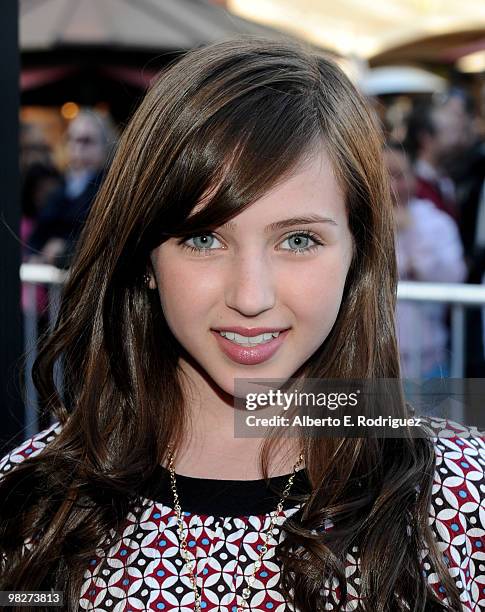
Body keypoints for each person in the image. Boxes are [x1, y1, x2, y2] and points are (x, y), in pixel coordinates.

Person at [0, 38, 484, 612]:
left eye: (298, 240)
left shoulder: (462, 499)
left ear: (359, 250)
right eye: (203, 239)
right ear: (145, 257)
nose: (250, 297)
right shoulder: (35, 500)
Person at [383, 141, 467, 378]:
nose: (392, 186)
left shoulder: (437, 222)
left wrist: (411, 232)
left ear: (413, 178)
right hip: (371, 359)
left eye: (399, 176)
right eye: (384, 176)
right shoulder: (357, 223)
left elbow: (453, 278)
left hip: (428, 359)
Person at [27, 109, 117, 269]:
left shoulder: (111, 190)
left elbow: (103, 242)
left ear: (105, 147)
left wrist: (62, 251)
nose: (77, 148)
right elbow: (35, 239)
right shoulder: (60, 189)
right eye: (72, 139)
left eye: (86, 141)